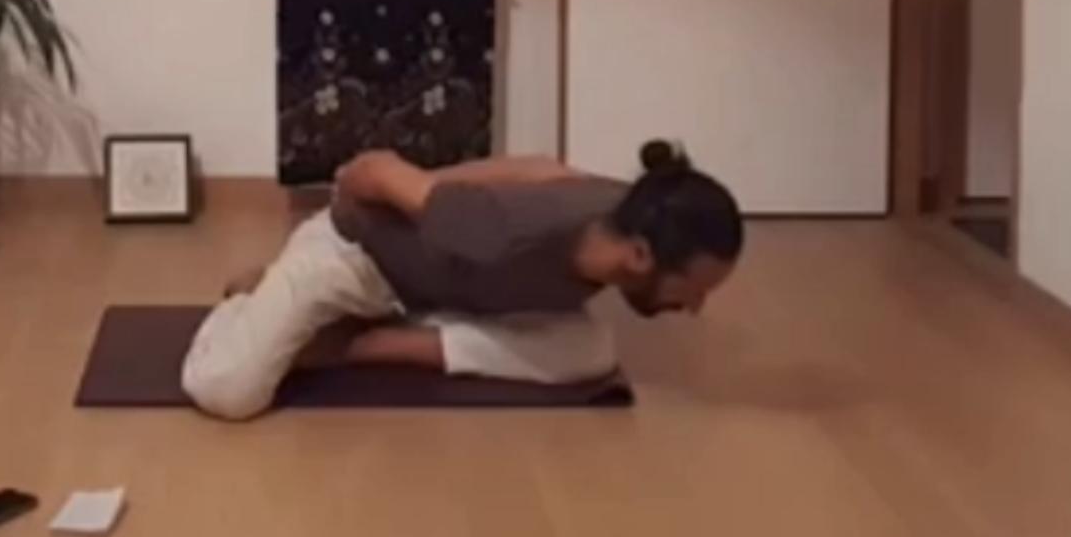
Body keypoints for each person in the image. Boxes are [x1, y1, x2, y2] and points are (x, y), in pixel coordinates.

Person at [180, 141, 744, 420]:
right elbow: (372, 171)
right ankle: (262, 296)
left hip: (456, 291)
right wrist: (419, 201)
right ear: (640, 255)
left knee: (591, 351)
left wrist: (442, 194)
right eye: (693, 288)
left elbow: (534, 167)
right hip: (360, 261)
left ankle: (366, 343)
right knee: (229, 390)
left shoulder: (623, 206)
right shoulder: (498, 230)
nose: (695, 306)